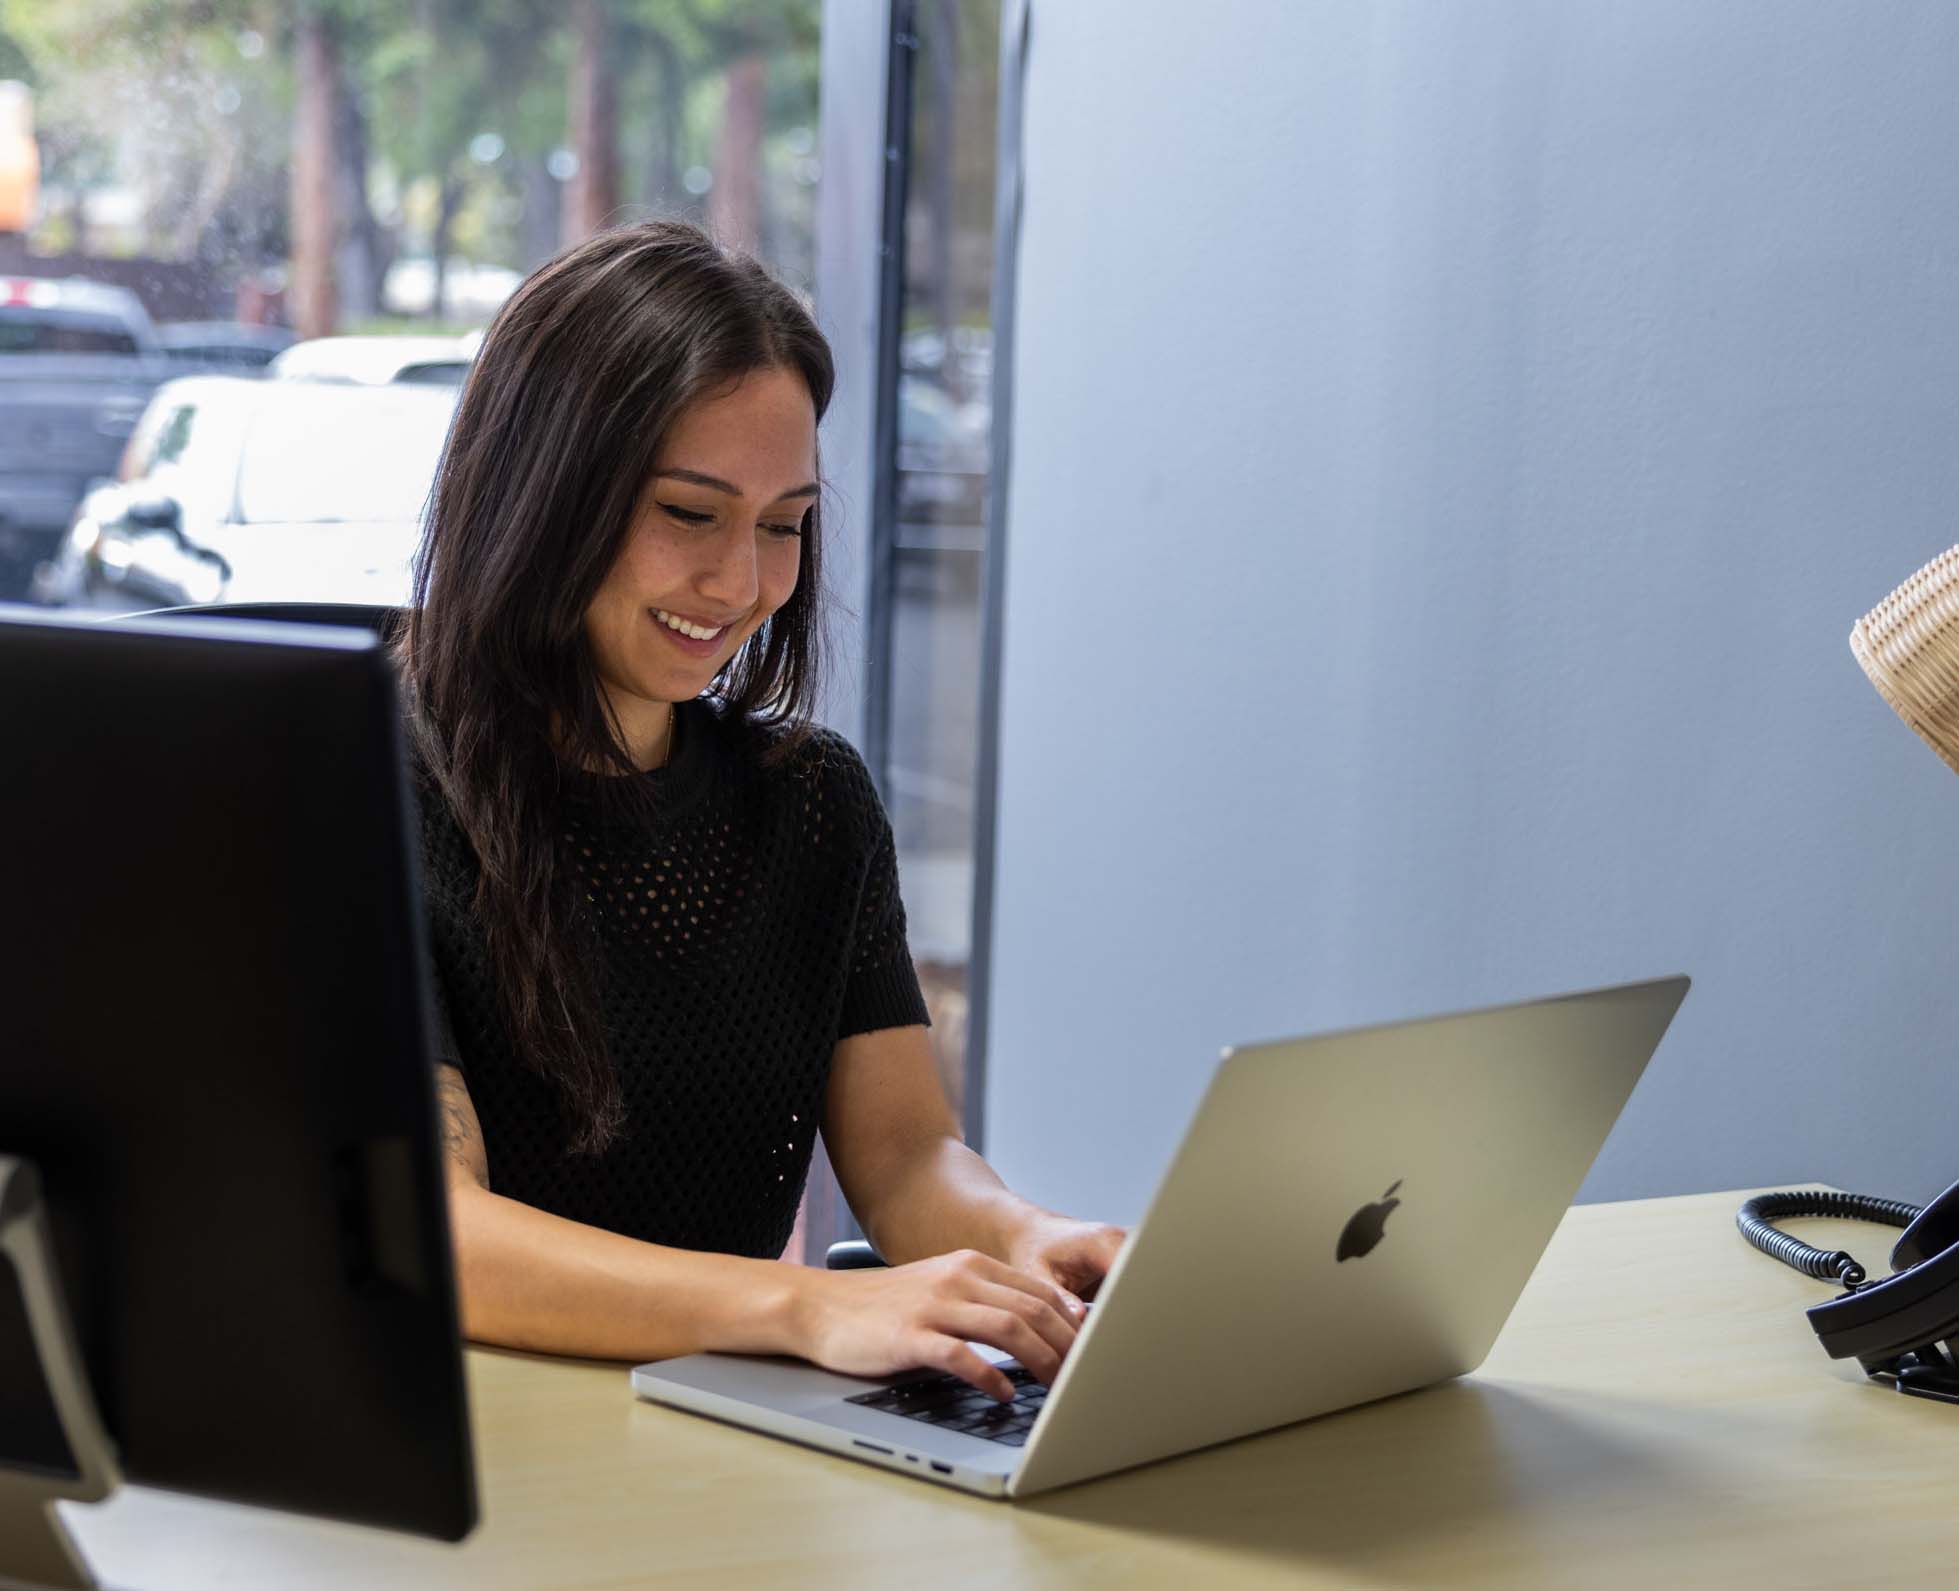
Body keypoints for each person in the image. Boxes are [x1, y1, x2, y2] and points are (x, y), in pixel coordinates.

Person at [396, 220, 1123, 1403]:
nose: (743, 583)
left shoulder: (812, 804)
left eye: (782, 524)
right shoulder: (376, 788)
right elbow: (442, 1234)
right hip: (473, 1452)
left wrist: (1020, 1241)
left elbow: (902, 1157)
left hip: (710, 1438)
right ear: (544, 490)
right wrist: (807, 1304)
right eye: (690, 513)